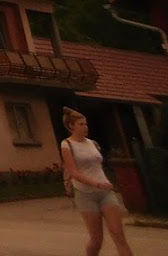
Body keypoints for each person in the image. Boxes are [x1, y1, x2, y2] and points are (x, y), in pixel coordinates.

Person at [61, 107, 135, 256]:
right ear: (71, 126)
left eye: (86, 124)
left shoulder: (92, 143)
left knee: (118, 235)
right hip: (85, 194)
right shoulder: (67, 145)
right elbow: (74, 172)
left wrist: (104, 182)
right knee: (97, 239)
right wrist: (96, 183)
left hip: (105, 193)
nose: (85, 127)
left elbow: (97, 166)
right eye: (81, 124)